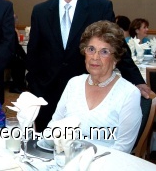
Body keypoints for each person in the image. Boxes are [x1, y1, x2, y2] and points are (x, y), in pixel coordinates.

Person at [26, 0, 151, 132]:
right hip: (48, 96)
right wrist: (35, 90)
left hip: (87, 95)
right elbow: (33, 55)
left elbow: (118, 47)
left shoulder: (100, 8)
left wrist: (137, 80)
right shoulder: (41, 11)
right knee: (48, 147)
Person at [49, 21, 141, 153]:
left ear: (115, 58)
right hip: (66, 159)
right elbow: (53, 126)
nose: (95, 57)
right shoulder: (74, 84)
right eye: (91, 49)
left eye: (104, 52)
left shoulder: (129, 93)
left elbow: (123, 148)